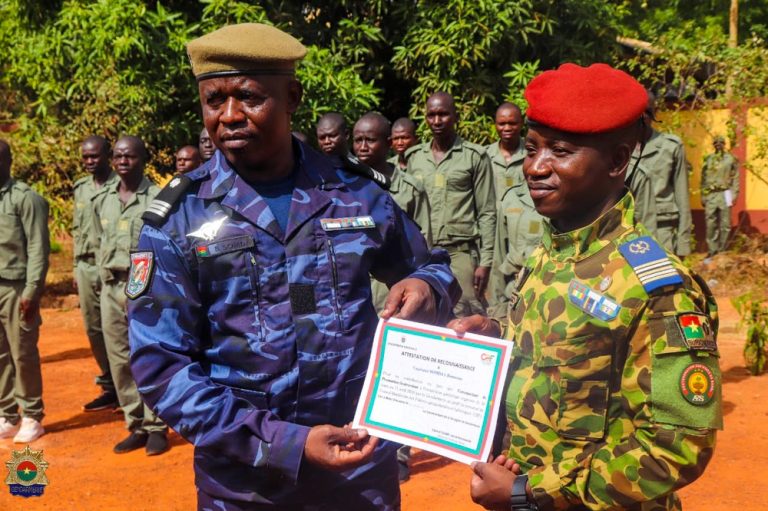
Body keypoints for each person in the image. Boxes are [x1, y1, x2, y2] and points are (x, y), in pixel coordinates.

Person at [127, 23, 459, 511]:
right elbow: (160, 365)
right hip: (244, 481)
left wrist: (425, 286)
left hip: (358, 464)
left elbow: (432, 267)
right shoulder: (177, 218)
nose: (230, 116)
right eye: (214, 100)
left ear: (293, 96)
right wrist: (283, 442)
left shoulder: (355, 193)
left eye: (249, 97)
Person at [452, 63, 722, 511]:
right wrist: (496, 330)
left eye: (560, 151)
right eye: (532, 147)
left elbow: (677, 447)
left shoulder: (656, 288)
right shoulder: (552, 251)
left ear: (617, 161)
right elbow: (558, 345)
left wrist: (529, 495)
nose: (536, 167)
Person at [352, 111, 432, 484]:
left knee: (398, 366)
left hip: (399, 286)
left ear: (388, 144)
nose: (363, 147)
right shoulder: (344, 186)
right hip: (362, 287)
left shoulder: (411, 187)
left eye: (371, 140)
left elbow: (424, 247)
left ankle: (398, 450)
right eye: (358, 140)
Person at [93, 135, 167, 455]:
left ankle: (157, 426)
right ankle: (135, 422)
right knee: (120, 360)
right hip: (111, 286)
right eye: (119, 157)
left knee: (148, 356)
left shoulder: (157, 197)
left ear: (143, 159)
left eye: (131, 156)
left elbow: (163, 247)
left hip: (143, 284)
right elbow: (98, 244)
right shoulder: (104, 199)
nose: (124, 161)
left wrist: (146, 290)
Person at [407, 92, 496, 317]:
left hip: (460, 254)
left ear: (455, 116)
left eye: (443, 114)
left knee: (463, 315)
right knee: (422, 313)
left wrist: (485, 262)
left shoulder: (475, 156)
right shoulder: (415, 158)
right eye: (431, 115)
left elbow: (487, 211)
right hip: (422, 253)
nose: (437, 121)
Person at [0, 139, 50, 443]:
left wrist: (32, 290)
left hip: (17, 288)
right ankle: (7, 413)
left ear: (7, 162)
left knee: (23, 354)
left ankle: (32, 415)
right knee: (0, 355)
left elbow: (38, 248)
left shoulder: (25, 198)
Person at [74, 135, 119, 412]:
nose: (90, 162)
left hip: (110, 268)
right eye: (86, 157)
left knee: (117, 331)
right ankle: (110, 386)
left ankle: (131, 388)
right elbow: (77, 230)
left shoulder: (120, 186)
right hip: (85, 266)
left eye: (95, 156)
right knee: (93, 328)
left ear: (108, 156)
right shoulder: (80, 188)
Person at [630, 91, 692, 257]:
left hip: (662, 230)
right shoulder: (618, 150)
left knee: (665, 281)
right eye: (637, 112)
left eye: (648, 111)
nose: (643, 116)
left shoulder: (671, 147)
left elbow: (682, 196)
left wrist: (683, 242)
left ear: (655, 112)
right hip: (627, 231)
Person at [701, 135, 740, 257]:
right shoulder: (708, 159)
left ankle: (723, 250)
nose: (718, 144)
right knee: (711, 223)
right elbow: (703, 179)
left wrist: (734, 194)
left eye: (720, 142)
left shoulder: (730, 159)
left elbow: (736, 178)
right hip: (711, 194)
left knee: (725, 224)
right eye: (716, 143)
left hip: (725, 193)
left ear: (724, 144)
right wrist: (703, 194)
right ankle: (712, 250)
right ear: (714, 145)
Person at [486, 102, 525, 202]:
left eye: (512, 123)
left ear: (521, 123)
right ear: (495, 125)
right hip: (493, 216)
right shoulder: (484, 156)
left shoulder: (533, 154)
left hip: (522, 216)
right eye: (502, 124)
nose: (507, 128)